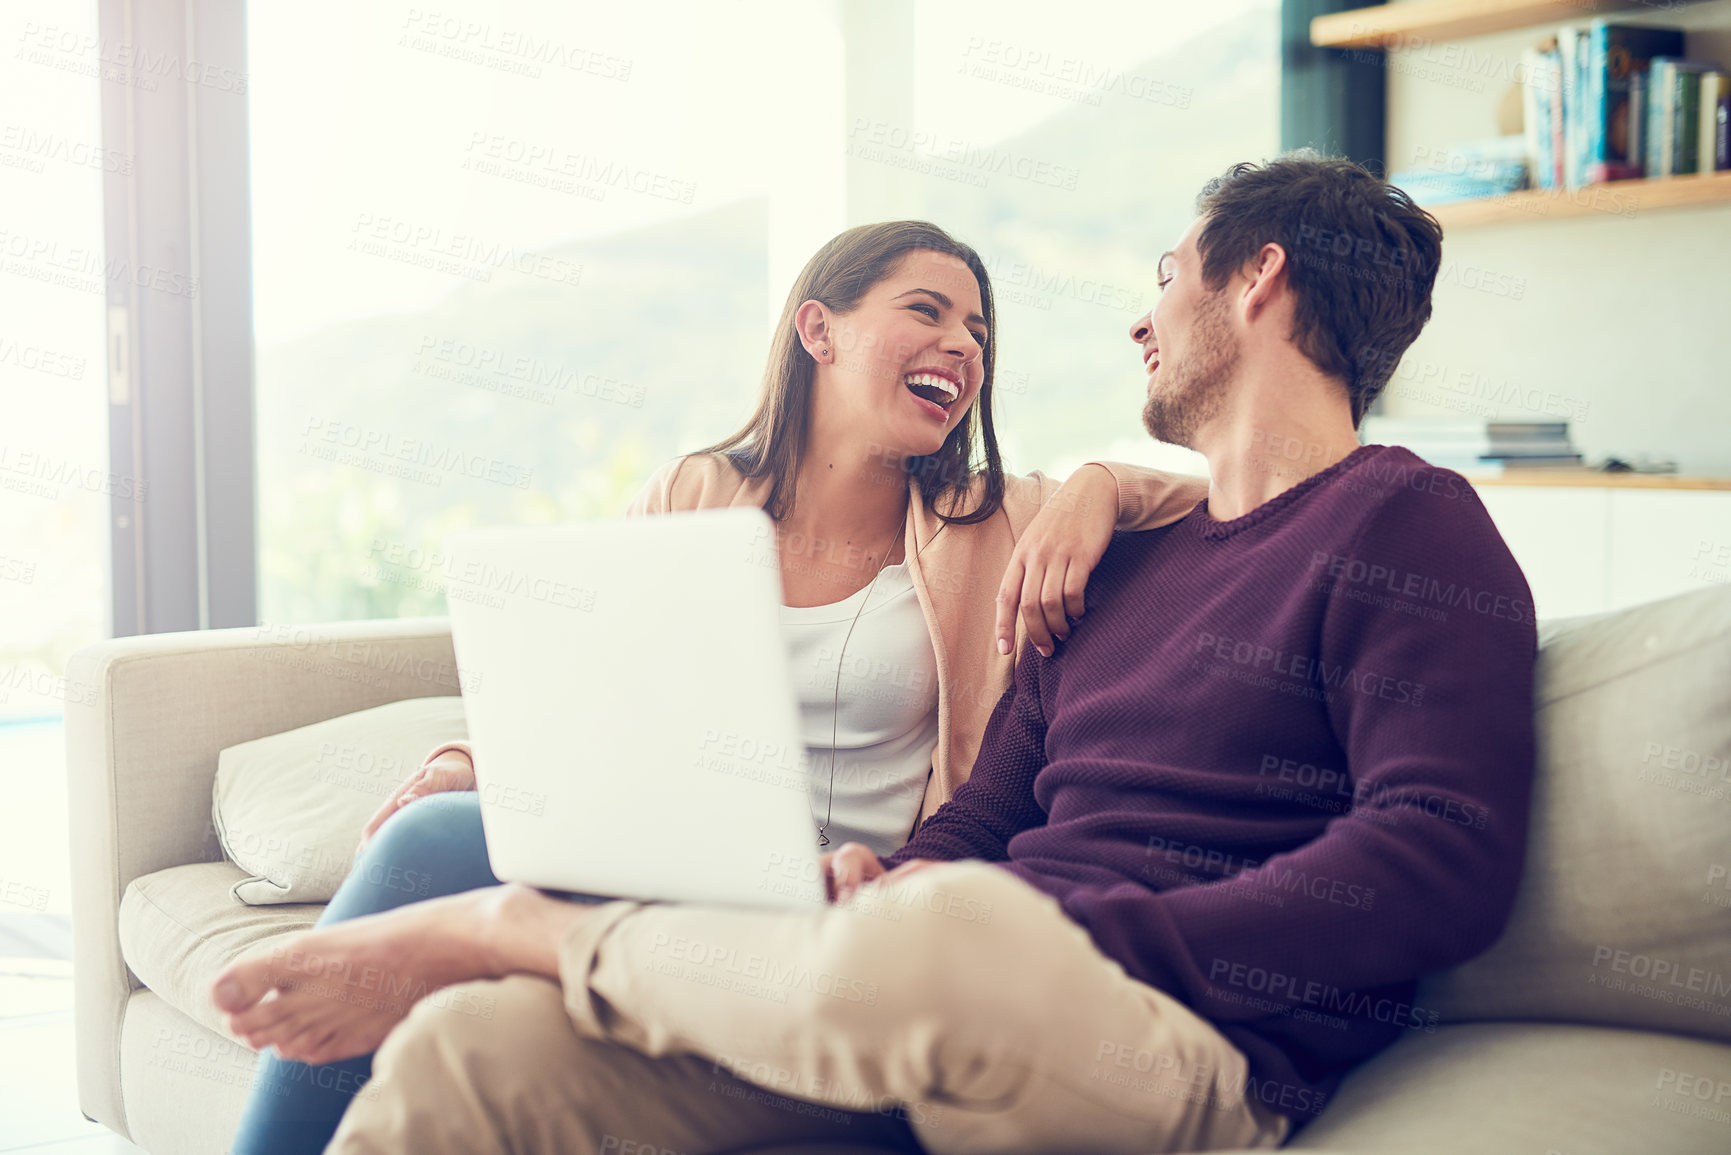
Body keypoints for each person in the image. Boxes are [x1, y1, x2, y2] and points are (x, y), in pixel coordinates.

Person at [215, 152, 1539, 1155]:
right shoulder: (1116, 566)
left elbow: (1434, 855)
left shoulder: (1405, 522)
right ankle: (519, 960)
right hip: (915, 992)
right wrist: (881, 878)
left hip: (1172, 1045)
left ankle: (514, 926)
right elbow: (981, 815)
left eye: (1163, 275)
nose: (1139, 321)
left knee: (950, 931)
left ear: (1254, 277)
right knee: (470, 1044)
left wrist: (1062, 925)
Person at [223, 219, 1208, 1154]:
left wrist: (1098, 487)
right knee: (432, 829)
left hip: (852, 908)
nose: (962, 345)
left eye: (978, 330)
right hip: (675, 869)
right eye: (928, 311)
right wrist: (462, 759)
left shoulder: (994, 519)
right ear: (818, 328)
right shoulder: (692, 493)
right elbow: (585, 694)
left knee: (433, 855)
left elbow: (1219, 499)